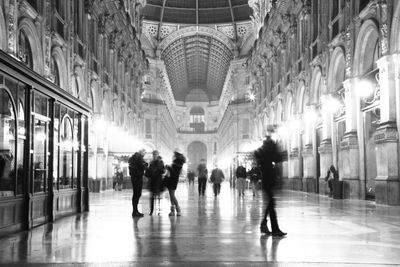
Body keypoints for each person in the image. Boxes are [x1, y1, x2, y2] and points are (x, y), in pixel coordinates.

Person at [254, 133, 286, 237]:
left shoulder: (263, 151)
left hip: (267, 179)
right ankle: (274, 229)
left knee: (270, 204)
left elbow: (276, 158)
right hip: (268, 178)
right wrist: (276, 145)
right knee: (271, 205)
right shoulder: (266, 151)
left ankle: (264, 224)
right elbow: (278, 158)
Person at [164, 150, 186, 216]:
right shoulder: (179, 162)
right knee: (171, 195)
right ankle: (172, 211)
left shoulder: (177, 162)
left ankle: (178, 210)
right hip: (172, 179)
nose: (174, 156)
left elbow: (173, 171)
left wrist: (168, 167)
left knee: (172, 195)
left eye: (175, 155)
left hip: (172, 179)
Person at [129, 149, 148, 217]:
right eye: (144, 153)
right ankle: (135, 211)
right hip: (137, 178)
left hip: (135, 178)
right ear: (142, 153)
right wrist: (145, 165)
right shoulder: (138, 158)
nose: (144, 155)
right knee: (137, 194)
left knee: (136, 194)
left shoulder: (135, 157)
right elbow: (144, 166)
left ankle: (135, 210)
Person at [146, 150, 165, 215]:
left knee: (159, 197)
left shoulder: (161, 162)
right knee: (152, 197)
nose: (154, 155)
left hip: (159, 181)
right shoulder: (151, 162)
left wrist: (158, 169)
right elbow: (148, 171)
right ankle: (151, 210)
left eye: (156, 154)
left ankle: (159, 209)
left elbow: (163, 171)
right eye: (154, 154)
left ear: (158, 155)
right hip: (152, 181)